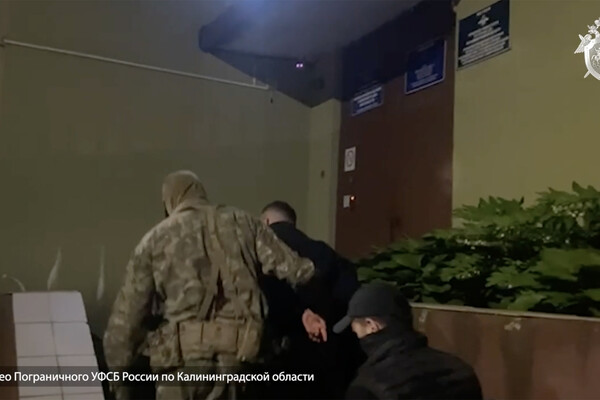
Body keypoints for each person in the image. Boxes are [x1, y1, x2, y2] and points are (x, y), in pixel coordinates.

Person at [103, 171, 327, 400]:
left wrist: (120, 383)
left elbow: (124, 325)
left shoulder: (154, 239)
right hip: (242, 365)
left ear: (169, 201)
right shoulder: (245, 223)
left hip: (183, 371)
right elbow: (301, 271)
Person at [258, 201, 362, 399]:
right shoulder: (325, 253)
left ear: (266, 221)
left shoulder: (258, 254)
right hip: (323, 366)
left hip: (273, 367)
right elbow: (350, 300)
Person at [333, 282, 483, 400]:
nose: (356, 334)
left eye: (356, 330)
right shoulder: (461, 371)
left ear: (371, 325)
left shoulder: (368, 388)